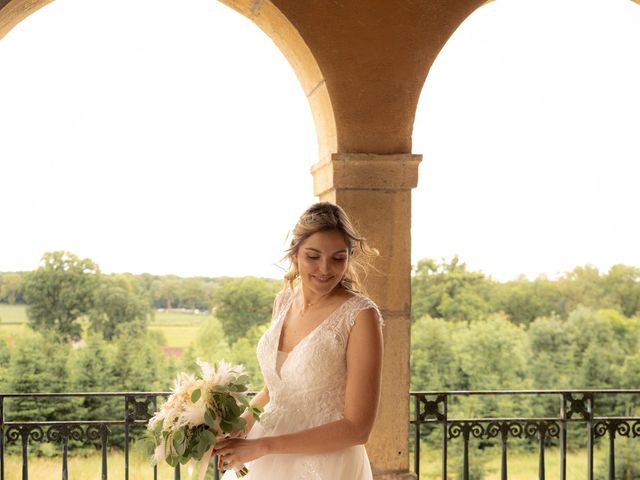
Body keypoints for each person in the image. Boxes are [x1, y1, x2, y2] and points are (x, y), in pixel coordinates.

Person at [215, 202, 384, 479]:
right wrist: (241, 426)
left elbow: (358, 428)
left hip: (324, 464)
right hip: (264, 452)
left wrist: (263, 446)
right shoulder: (283, 302)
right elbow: (275, 389)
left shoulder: (360, 315)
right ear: (295, 254)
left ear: (349, 258)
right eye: (313, 256)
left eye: (338, 258)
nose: (325, 269)